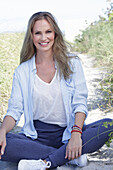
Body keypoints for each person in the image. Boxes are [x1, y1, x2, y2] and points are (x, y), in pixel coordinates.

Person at [0, 11, 113, 170]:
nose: (43, 38)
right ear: (31, 37)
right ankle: (70, 156)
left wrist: (75, 135)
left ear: (55, 34)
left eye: (48, 32)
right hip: (36, 138)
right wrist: (3, 130)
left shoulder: (73, 63)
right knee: (2, 141)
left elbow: (79, 104)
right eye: (38, 33)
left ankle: (49, 161)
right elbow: (14, 110)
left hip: (68, 132)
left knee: (108, 125)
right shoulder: (22, 71)